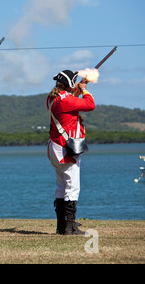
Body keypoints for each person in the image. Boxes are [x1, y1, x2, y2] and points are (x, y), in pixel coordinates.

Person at [46, 70, 95, 235]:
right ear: (70, 84)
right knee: (72, 187)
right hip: (66, 148)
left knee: (61, 187)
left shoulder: (52, 98)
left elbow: (68, 98)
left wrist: (78, 88)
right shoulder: (66, 100)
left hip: (55, 147)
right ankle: (70, 228)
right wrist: (84, 89)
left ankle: (62, 226)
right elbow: (90, 105)